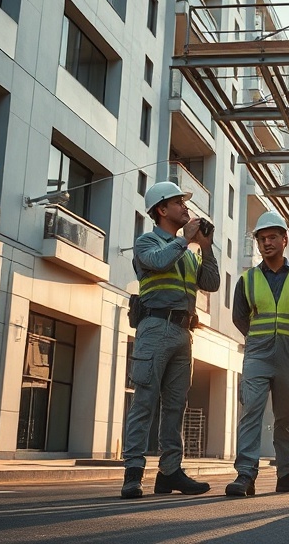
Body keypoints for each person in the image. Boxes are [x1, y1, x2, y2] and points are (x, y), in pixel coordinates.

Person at [121, 181, 220, 499]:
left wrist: (205, 247)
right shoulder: (145, 242)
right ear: (162, 209)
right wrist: (186, 241)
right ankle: (133, 474)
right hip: (154, 328)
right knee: (145, 402)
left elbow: (212, 283)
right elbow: (160, 261)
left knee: (176, 406)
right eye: (179, 202)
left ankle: (169, 473)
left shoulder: (190, 254)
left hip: (183, 334)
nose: (186, 208)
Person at [225, 211, 289, 497]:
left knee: (285, 416)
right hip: (257, 353)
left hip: (288, 354)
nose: (266, 243)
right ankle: (245, 475)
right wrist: (259, 339)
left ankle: (286, 473)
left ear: (284, 240)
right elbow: (240, 317)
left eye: (272, 237)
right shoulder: (247, 280)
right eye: (262, 239)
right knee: (251, 411)